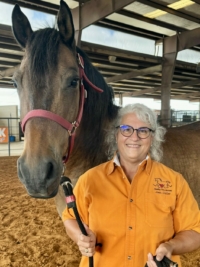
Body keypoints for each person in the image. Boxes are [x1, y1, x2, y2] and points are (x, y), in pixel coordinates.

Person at [62, 103, 200, 267]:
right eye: (127, 129)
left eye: (143, 131)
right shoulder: (89, 180)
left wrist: (170, 246)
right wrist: (80, 236)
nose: (134, 137)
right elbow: (70, 218)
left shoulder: (175, 181)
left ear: (153, 138)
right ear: (116, 134)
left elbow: (194, 231)